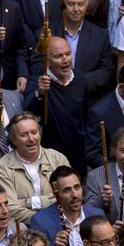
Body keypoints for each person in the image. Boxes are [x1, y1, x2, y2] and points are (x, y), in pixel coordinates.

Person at [24, 36, 89, 176]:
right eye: (58, 56)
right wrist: (40, 94)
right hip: (49, 157)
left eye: (68, 54)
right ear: (47, 60)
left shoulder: (80, 79)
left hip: (77, 155)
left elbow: (84, 116)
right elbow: (28, 110)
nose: (65, 60)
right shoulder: (38, 80)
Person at [0, 112, 69, 224]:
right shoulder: (2, 168)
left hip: (61, 224)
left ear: (40, 134)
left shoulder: (57, 159)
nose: (31, 139)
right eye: (24, 135)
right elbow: (10, 210)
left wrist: (29, 202)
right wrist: (45, 219)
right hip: (24, 230)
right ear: (14, 140)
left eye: (34, 132)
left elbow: (68, 196)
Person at [32, 165, 104, 246]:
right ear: (55, 194)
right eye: (67, 190)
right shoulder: (40, 221)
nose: (75, 195)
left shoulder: (97, 214)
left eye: (77, 187)